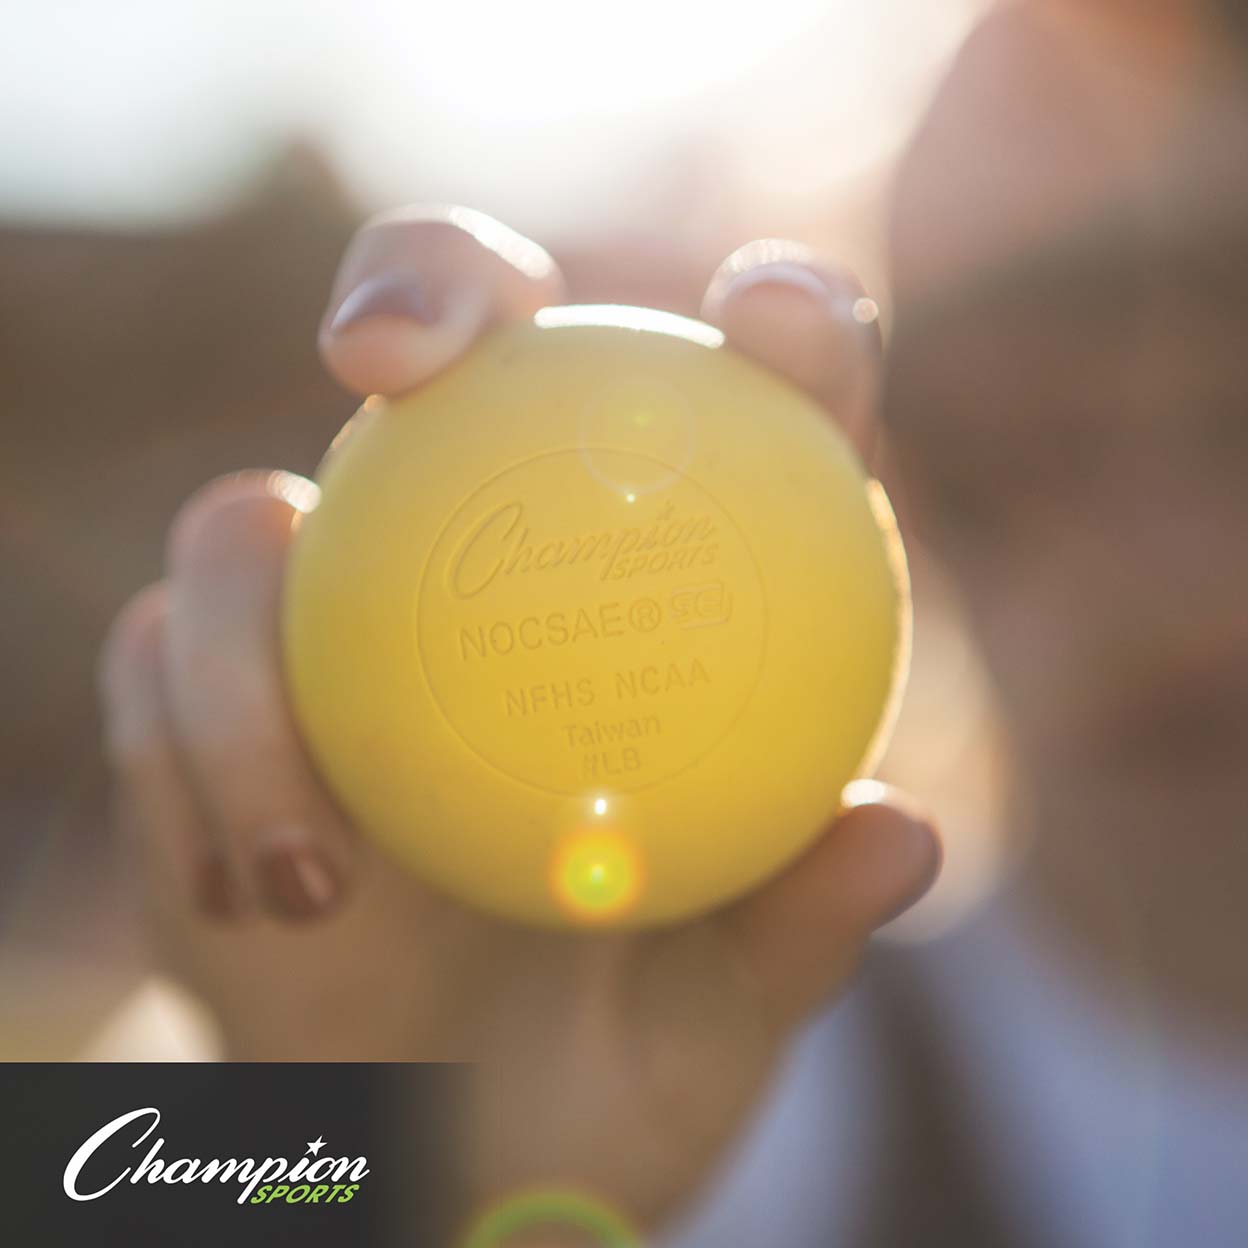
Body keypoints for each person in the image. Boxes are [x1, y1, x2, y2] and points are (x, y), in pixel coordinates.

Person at [96, 2, 1248, 1244]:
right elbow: (71, 1194)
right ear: (883, 498)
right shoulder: (744, 1076)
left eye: (1234, 398)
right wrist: (353, 1152)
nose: (1173, 563)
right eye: (1013, 433)